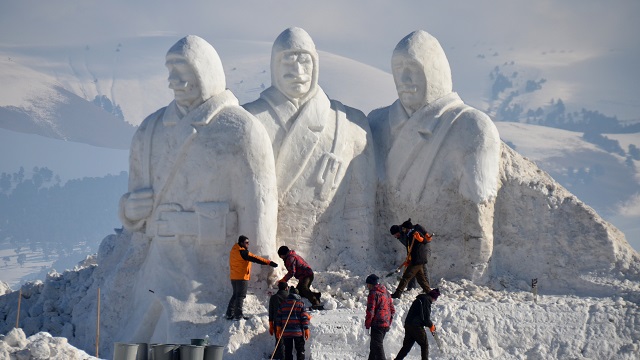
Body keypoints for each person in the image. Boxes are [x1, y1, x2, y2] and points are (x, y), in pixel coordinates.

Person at [117, 35, 278, 343]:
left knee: (192, 342)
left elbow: (258, 208)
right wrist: (129, 210)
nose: (173, 81)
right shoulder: (149, 130)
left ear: (205, 71)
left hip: (208, 276)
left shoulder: (241, 130)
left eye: (183, 70)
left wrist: (258, 272)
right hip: (158, 269)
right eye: (170, 70)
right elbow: (133, 205)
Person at [369, 30, 501, 282]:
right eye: (399, 69)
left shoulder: (471, 126)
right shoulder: (376, 124)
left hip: (453, 268)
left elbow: (479, 210)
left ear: (435, 71)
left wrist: (475, 270)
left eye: (415, 69)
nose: (404, 78)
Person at [243, 27, 376, 269]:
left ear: (316, 64)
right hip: (272, 258)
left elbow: (360, 207)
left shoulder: (348, 124)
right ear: (274, 66)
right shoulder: (249, 119)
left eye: (305, 60)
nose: (297, 71)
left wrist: (360, 259)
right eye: (288, 61)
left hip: (333, 258)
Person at [227, 235, 278, 320]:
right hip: (241, 278)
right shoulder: (243, 252)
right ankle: (238, 315)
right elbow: (255, 258)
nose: (248, 244)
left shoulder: (234, 250)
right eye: (246, 243)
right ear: (241, 243)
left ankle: (229, 313)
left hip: (234, 277)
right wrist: (269, 262)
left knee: (235, 295)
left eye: (248, 243)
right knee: (240, 296)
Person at [390, 219, 431, 299]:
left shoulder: (413, 232)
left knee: (409, 275)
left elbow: (424, 240)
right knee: (420, 276)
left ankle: (398, 293)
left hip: (421, 254)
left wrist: (424, 236)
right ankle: (426, 291)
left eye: (396, 234)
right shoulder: (406, 234)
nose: (396, 237)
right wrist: (408, 258)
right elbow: (409, 247)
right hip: (415, 255)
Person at [394, 288, 441, 360]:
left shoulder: (421, 299)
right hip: (416, 326)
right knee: (424, 345)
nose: (435, 301)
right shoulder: (426, 301)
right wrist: (431, 325)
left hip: (408, 324)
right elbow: (426, 318)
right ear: (433, 297)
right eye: (435, 299)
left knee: (406, 346)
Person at [364, 274, 395, 360]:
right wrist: (388, 322)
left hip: (377, 324)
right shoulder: (386, 293)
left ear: (371, 284)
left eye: (368, 284)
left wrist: (367, 326)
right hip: (385, 324)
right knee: (374, 349)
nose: (367, 286)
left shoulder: (373, 293)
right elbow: (392, 310)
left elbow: (370, 311)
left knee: (378, 348)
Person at [276, 288, 311, 360]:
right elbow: (304, 317)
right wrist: (306, 329)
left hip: (286, 332)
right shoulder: (300, 304)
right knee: (300, 349)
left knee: (288, 351)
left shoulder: (282, 305)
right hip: (298, 332)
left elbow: (278, 318)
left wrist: (278, 329)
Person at [269, 281, 290, 359]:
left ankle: (280, 356)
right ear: (286, 288)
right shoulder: (289, 297)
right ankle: (282, 355)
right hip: (288, 321)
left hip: (277, 322)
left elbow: (271, 312)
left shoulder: (274, 297)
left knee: (279, 339)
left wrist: (271, 324)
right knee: (287, 341)